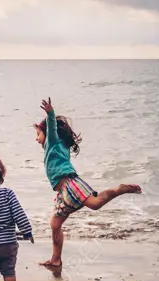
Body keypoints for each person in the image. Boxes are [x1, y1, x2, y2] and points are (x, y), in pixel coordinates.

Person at [37, 97, 141, 270]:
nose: (36, 138)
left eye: (38, 134)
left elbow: (52, 129)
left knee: (95, 204)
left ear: (47, 134)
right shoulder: (59, 146)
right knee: (55, 225)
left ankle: (120, 189)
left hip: (70, 184)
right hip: (62, 192)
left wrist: (50, 113)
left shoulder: (53, 143)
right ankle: (56, 259)